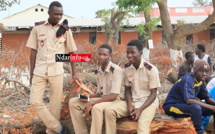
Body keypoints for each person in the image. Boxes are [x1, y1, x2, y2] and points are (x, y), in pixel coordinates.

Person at [26, 1, 78, 134]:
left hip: (57, 71)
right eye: (56, 14)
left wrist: (74, 73)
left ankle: (53, 132)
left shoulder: (65, 30)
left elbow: (72, 52)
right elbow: (33, 52)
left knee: (54, 106)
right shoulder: (38, 28)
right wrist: (31, 74)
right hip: (39, 71)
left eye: (61, 14)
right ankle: (58, 128)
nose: (59, 17)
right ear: (49, 13)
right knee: (35, 101)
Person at [105, 39, 161, 134]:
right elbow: (127, 90)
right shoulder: (127, 68)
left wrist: (139, 110)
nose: (129, 55)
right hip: (133, 101)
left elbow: (153, 94)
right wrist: (129, 104)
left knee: (142, 124)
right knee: (109, 111)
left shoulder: (151, 69)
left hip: (148, 103)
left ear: (140, 53)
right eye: (127, 52)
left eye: (132, 52)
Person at [69, 44, 125, 134]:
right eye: (99, 54)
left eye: (104, 55)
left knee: (96, 108)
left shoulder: (116, 70)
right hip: (103, 99)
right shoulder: (98, 71)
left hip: (115, 100)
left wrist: (93, 103)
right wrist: (89, 95)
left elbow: (114, 96)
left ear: (110, 56)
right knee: (73, 101)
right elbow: (101, 93)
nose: (101, 57)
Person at [163, 60, 215, 134]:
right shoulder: (188, 79)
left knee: (207, 108)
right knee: (196, 108)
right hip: (172, 106)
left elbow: (207, 98)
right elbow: (189, 100)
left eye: (206, 72)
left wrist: (213, 106)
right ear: (196, 71)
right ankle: (199, 131)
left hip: (186, 107)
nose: (204, 74)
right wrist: (211, 107)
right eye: (201, 71)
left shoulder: (200, 81)